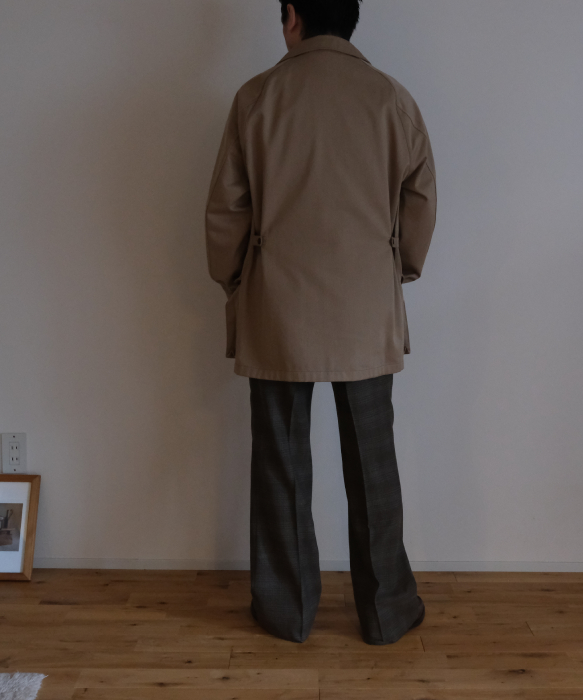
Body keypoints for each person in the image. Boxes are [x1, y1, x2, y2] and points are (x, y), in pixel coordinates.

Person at [204, 0, 437, 645]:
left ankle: (287, 612)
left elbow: (226, 209)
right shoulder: (391, 98)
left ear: (292, 16)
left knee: (280, 463)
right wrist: (399, 269)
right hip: (365, 302)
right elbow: (420, 198)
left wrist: (235, 281)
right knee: (374, 462)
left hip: (279, 303)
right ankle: (388, 611)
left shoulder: (257, 98)